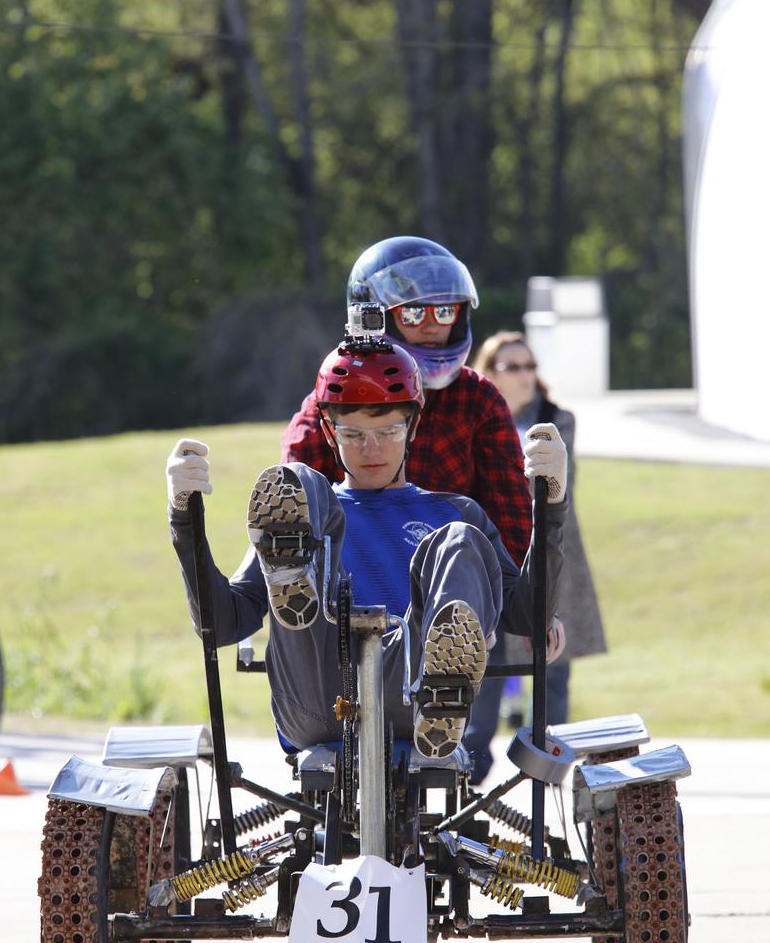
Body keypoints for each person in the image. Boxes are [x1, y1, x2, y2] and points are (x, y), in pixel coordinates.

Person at [166, 340, 568, 765]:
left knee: (460, 539)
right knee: (302, 482)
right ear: (328, 432)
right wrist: (184, 516)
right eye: (353, 434)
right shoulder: (305, 516)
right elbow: (223, 624)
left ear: (412, 428)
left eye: (388, 432)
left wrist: (551, 504)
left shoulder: (456, 512)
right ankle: (295, 587)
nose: (370, 449)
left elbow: (526, 616)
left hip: (417, 695)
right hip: (317, 695)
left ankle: (443, 686)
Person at [281, 236, 533, 568]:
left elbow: (511, 528)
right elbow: (292, 502)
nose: (431, 326)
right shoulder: (334, 394)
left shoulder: (478, 399)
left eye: (444, 311)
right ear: (374, 315)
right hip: (353, 579)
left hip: (453, 583)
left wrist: (510, 605)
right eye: (413, 313)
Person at [471, 330, 607, 739]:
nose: (526, 374)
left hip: (551, 551)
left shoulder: (557, 419)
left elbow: (556, 490)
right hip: (497, 553)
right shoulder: (477, 418)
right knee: (487, 668)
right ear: (490, 372)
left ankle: (546, 766)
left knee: (553, 670)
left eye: (530, 365)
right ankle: (475, 769)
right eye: (514, 366)